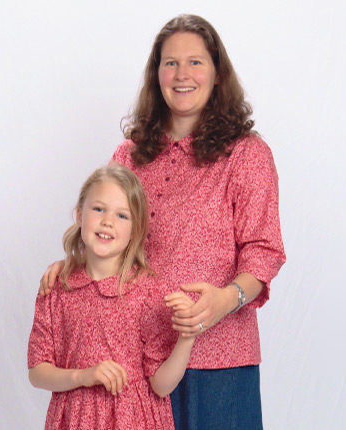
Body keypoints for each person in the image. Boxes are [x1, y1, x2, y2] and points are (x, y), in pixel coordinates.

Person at [39, 14, 286, 430]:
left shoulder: (246, 155)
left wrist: (225, 300)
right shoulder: (129, 156)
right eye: (170, 63)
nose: (182, 73)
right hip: (137, 362)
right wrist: (72, 266)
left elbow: (264, 252)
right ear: (156, 75)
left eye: (195, 62)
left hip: (221, 359)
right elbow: (107, 231)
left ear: (217, 74)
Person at [28, 164, 196, 430]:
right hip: (74, 421)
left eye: (122, 215)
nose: (107, 221)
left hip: (135, 422)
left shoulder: (147, 292)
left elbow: (161, 386)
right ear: (79, 215)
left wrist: (186, 339)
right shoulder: (56, 289)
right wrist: (83, 376)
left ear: (135, 230)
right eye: (99, 209)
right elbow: (37, 373)